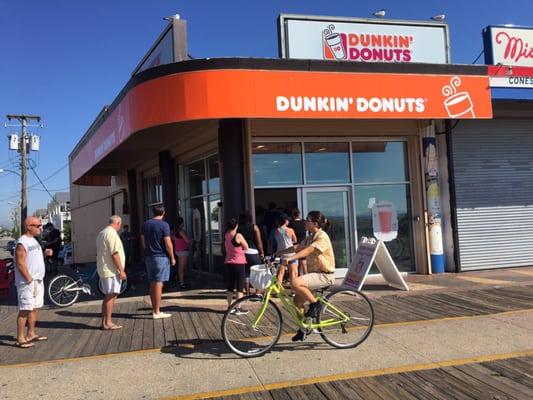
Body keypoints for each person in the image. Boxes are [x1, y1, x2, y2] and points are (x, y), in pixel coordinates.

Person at [281, 211, 336, 342]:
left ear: (315, 224)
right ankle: (303, 328)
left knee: (295, 283)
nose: (305, 222)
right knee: (296, 303)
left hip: (324, 275)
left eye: (307, 220)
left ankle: (315, 305)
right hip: (315, 274)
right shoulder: (311, 236)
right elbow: (298, 247)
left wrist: (291, 259)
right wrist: (278, 253)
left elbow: (310, 250)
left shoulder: (322, 236)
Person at [13, 217, 52, 348]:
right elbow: (20, 263)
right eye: (38, 225)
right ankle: (20, 338)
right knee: (25, 309)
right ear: (29, 227)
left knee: (34, 307)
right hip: (27, 282)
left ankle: (31, 333)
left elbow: (33, 259)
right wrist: (28, 279)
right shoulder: (22, 242)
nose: (41, 227)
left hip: (37, 280)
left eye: (41, 225)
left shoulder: (33, 240)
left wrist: (45, 254)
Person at [141, 205, 175, 319]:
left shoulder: (146, 224)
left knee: (152, 283)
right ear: (163, 212)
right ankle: (157, 311)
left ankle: (154, 309)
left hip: (149, 256)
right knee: (159, 283)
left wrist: (147, 250)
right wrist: (173, 257)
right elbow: (168, 243)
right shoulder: (164, 225)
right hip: (160, 257)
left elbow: (142, 239)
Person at [96, 215, 127, 330]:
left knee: (109, 295)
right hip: (111, 270)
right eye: (120, 224)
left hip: (105, 268)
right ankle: (108, 322)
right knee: (111, 295)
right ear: (118, 223)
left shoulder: (102, 233)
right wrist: (121, 270)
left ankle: (105, 322)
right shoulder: (111, 234)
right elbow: (115, 253)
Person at [224, 217, 249, 313]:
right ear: (236, 225)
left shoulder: (226, 235)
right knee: (239, 287)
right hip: (239, 263)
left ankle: (229, 307)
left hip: (229, 262)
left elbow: (226, 249)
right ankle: (238, 308)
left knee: (230, 286)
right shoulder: (238, 235)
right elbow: (246, 247)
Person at [237, 212, 264, 294]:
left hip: (241, 252)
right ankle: (257, 292)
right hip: (253, 251)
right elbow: (258, 241)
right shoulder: (254, 227)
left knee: (245, 273)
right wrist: (262, 252)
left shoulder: (237, 228)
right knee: (257, 272)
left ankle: (247, 292)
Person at [272, 213, 298, 284]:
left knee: (280, 273)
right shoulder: (290, 230)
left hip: (280, 253)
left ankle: (279, 290)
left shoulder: (276, 231)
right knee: (293, 273)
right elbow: (295, 240)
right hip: (290, 253)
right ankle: (293, 291)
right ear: (285, 221)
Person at [173, 217, 191, 289]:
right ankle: (182, 283)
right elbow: (187, 241)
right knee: (182, 267)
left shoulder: (175, 231)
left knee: (181, 267)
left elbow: (172, 238)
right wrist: (192, 240)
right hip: (183, 251)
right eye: (183, 222)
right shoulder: (181, 231)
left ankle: (181, 280)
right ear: (181, 223)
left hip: (178, 250)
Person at [288, 208, 307, 275]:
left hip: (295, 243)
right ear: (299, 213)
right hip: (304, 242)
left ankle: (299, 275)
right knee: (303, 261)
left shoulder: (291, 223)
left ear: (293, 214)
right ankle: (305, 275)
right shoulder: (304, 222)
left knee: (297, 261)